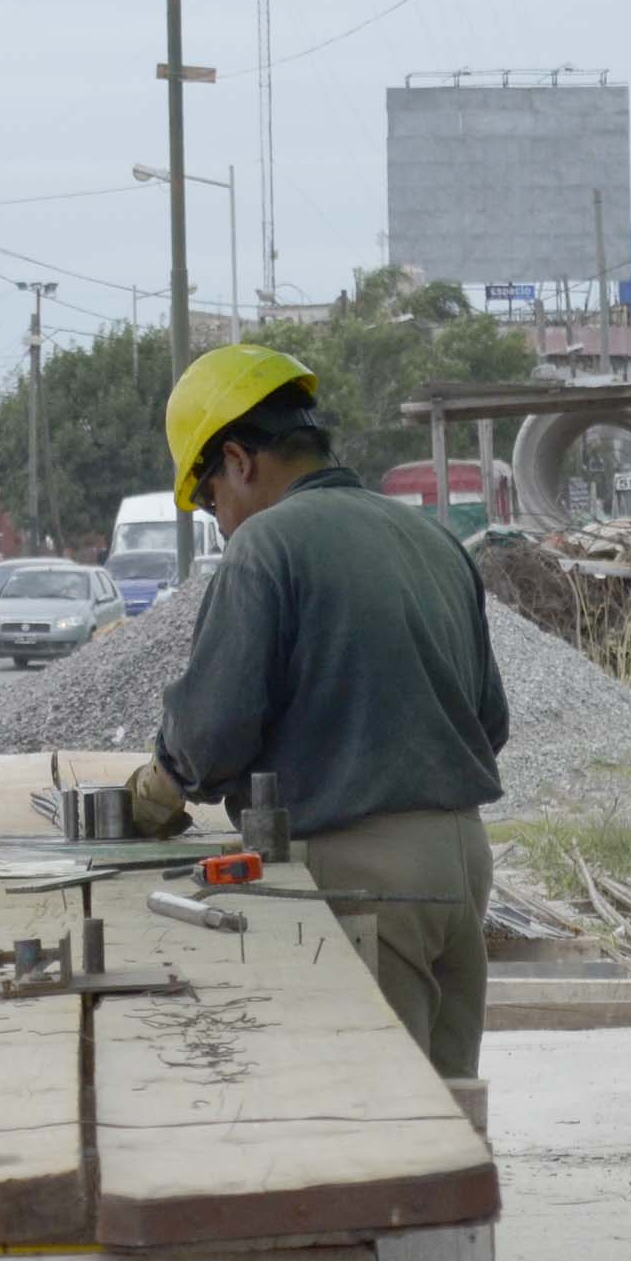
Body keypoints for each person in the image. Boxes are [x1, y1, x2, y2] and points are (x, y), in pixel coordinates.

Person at [123, 344, 509, 1083]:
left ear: (238, 460)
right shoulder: (434, 540)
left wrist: (158, 787)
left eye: (209, 501)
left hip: (364, 879)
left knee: (375, 1126)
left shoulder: (267, 546)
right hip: (460, 867)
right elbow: (490, 723)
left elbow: (210, 733)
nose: (221, 523)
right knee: (450, 1116)